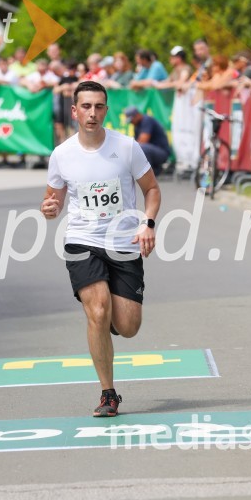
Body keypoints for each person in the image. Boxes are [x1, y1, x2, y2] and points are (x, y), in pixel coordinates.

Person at [41, 81, 161, 418]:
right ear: (74, 111)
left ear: (106, 110)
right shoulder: (62, 154)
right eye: (86, 107)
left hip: (123, 244)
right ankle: (108, 394)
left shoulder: (127, 147)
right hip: (82, 241)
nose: (92, 113)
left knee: (128, 326)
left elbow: (152, 189)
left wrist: (148, 223)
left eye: (98, 107)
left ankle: (108, 320)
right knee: (97, 310)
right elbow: (53, 199)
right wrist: (49, 208)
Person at [124, 106, 171, 176]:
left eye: (131, 120)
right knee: (135, 149)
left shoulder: (146, 120)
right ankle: (155, 170)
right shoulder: (137, 125)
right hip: (152, 152)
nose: (131, 122)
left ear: (137, 115)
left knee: (141, 147)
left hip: (162, 153)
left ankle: (147, 175)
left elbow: (142, 141)